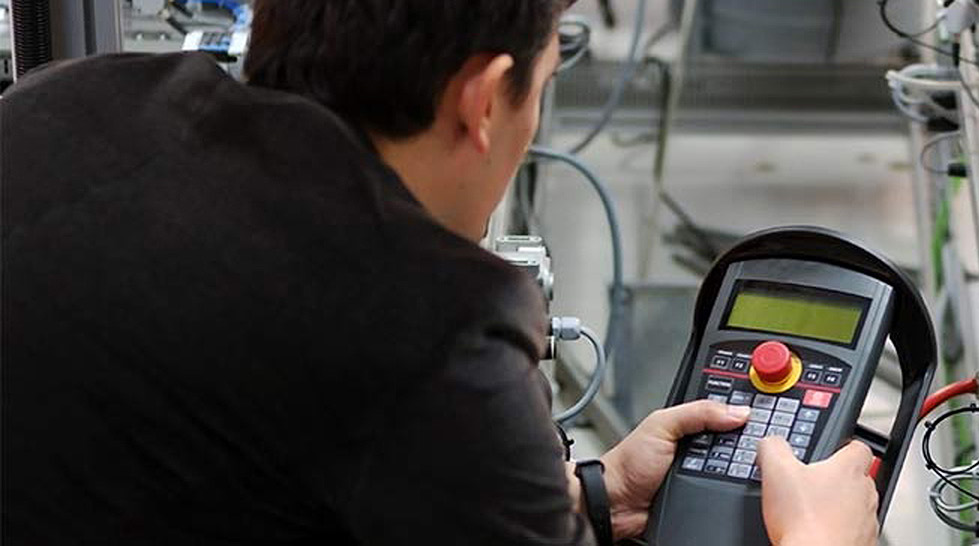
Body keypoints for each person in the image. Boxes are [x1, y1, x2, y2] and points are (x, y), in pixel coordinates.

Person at [0, 1, 877, 544]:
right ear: (483, 99)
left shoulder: (66, 103)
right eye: (538, 86)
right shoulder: (429, 337)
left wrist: (590, 501)